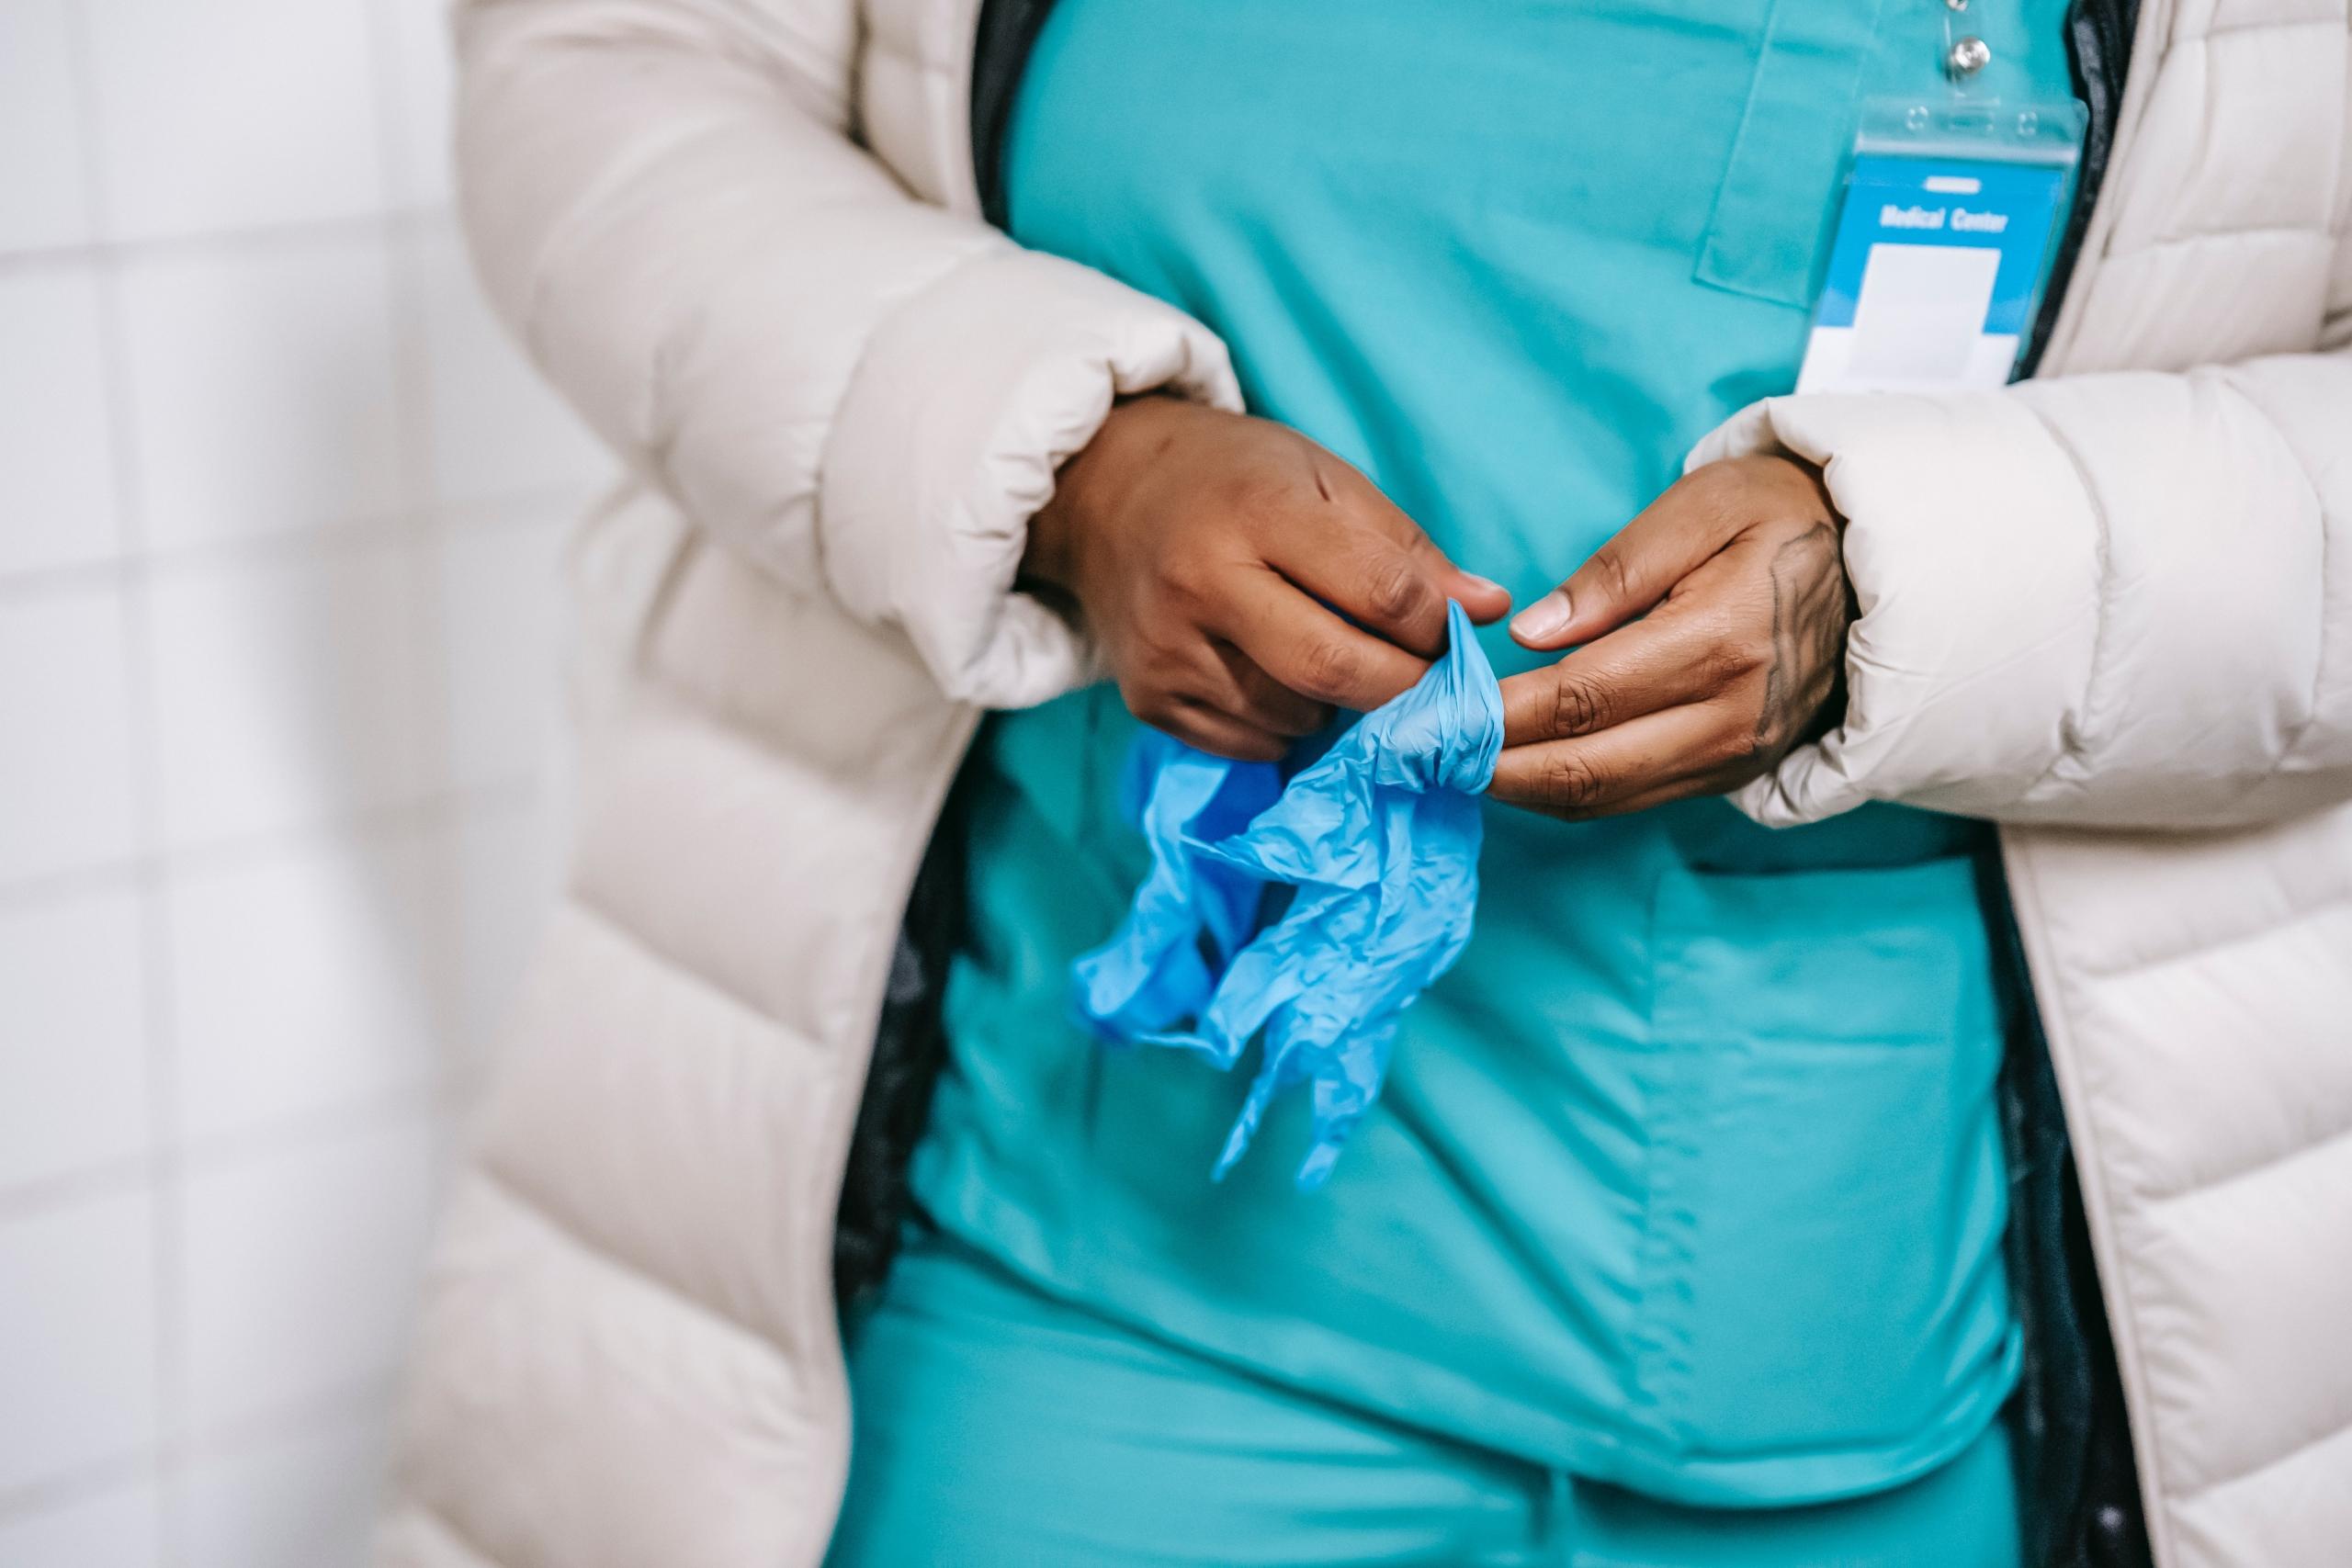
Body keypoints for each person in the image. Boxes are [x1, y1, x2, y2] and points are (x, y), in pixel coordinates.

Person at [378, 4, 2352, 1568]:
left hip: (1862, 1317)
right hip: (1088, 1262)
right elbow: (612, 80)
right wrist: (1070, 471)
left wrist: (1937, 573)